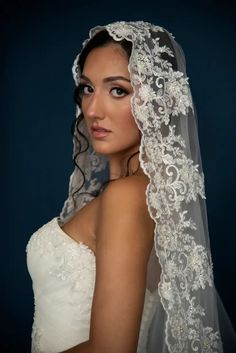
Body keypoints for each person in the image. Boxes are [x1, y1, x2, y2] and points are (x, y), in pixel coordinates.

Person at [26, 21, 236, 353]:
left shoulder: (126, 197)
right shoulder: (140, 196)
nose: (92, 110)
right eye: (87, 88)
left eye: (118, 90)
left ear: (157, 103)